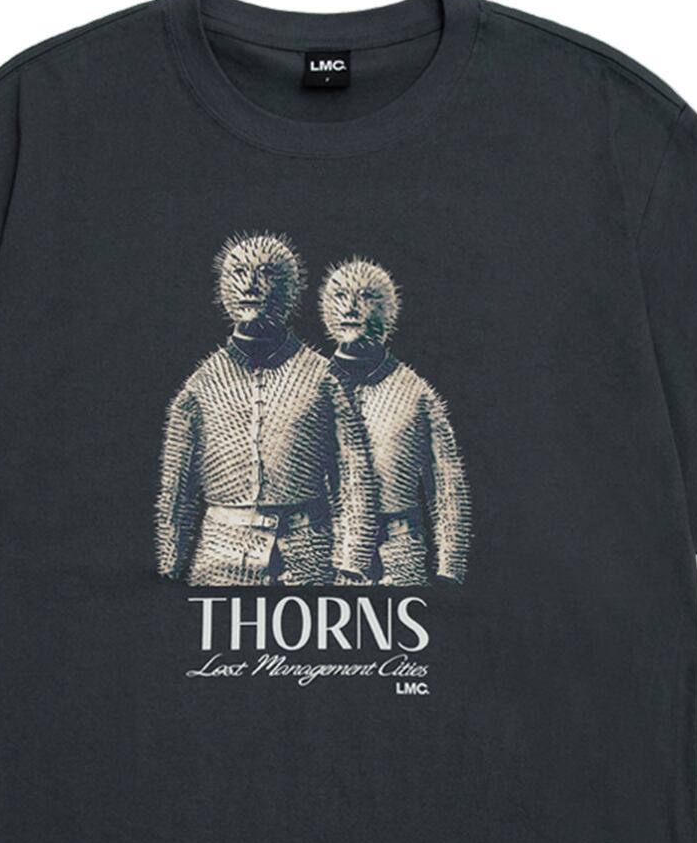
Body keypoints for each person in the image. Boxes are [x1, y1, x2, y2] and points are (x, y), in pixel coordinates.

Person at [157, 231, 378, 585]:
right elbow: (176, 493)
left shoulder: (324, 380)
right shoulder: (200, 387)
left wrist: (352, 561)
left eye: (267, 274)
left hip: (310, 559)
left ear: (290, 287)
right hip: (220, 560)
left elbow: (353, 477)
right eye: (239, 274)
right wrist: (168, 569)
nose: (251, 286)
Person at [321, 257, 470, 584]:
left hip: (400, 554)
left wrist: (450, 566)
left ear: (389, 309)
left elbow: (446, 486)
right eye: (341, 297)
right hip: (324, 550)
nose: (351, 308)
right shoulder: (308, 389)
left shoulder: (416, 395)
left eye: (365, 297)